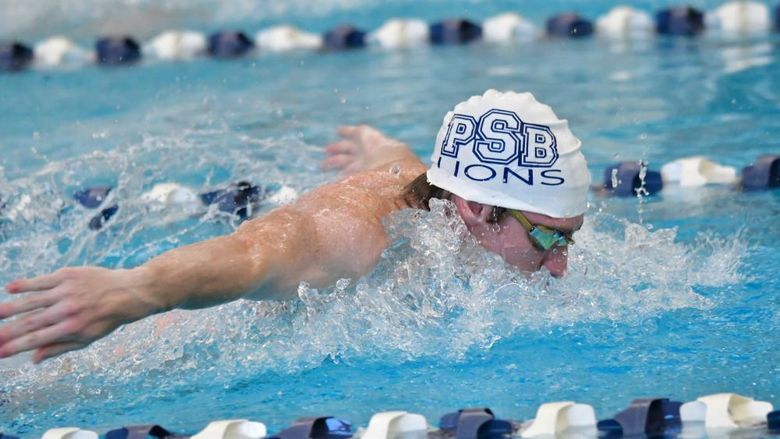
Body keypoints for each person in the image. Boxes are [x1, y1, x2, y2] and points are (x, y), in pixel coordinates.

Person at [0, 90, 590, 364]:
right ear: (475, 208)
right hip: (131, 348)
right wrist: (134, 291)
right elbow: (253, 254)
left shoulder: (424, 183)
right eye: (548, 236)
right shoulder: (356, 235)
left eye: (568, 237)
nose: (560, 263)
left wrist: (369, 142)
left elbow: (398, 156)